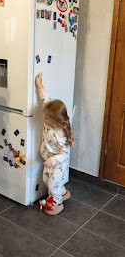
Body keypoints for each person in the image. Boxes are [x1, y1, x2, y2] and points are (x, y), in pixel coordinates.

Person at [35, 73, 75, 215]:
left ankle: (57, 204)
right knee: (47, 180)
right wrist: (40, 85)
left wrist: (52, 160)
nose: (43, 117)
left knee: (52, 184)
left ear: (53, 120)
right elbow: (46, 100)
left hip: (57, 163)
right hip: (49, 160)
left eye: (46, 117)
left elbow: (65, 154)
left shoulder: (61, 135)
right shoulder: (51, 120)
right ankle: (63, 193)